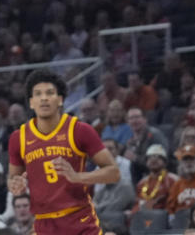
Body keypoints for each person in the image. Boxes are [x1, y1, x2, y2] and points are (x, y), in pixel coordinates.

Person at [7, 70, 120, 235]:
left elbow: (114, 173)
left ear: (60, 100)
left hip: (78, 219)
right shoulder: (18, 138)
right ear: (31, 103)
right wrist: (15, 185)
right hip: (43, 223)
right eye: (38, 94)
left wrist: (78, 177)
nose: (44, 98)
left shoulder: (80, 130)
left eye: (50, 93)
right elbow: (13, 179)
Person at [166, 146, 195, 215]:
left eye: (192, 159)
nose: (188, 162)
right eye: (185, 159)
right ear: (181, 163)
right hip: (180, 220)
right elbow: (170, 207)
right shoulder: (178, 183)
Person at [133, 144, 178, 212]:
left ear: (165, 162)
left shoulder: (172, 180)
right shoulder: (141, 183)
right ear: (146, 162)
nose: (153, 159)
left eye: (158, 157)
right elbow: (137, 204)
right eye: (150, 157)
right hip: (143, 216)